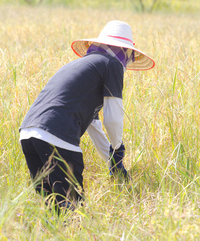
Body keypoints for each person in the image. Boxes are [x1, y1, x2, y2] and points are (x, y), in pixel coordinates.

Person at [19, 20, 155, 213]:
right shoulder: (112, 64)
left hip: (28, 134)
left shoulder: (85, 66)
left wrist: (112, 161)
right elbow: (113, 116)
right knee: (72, 207)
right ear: (124, 51)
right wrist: (118, 148)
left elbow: (94, 125)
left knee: (52, 208)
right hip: (57, 136)